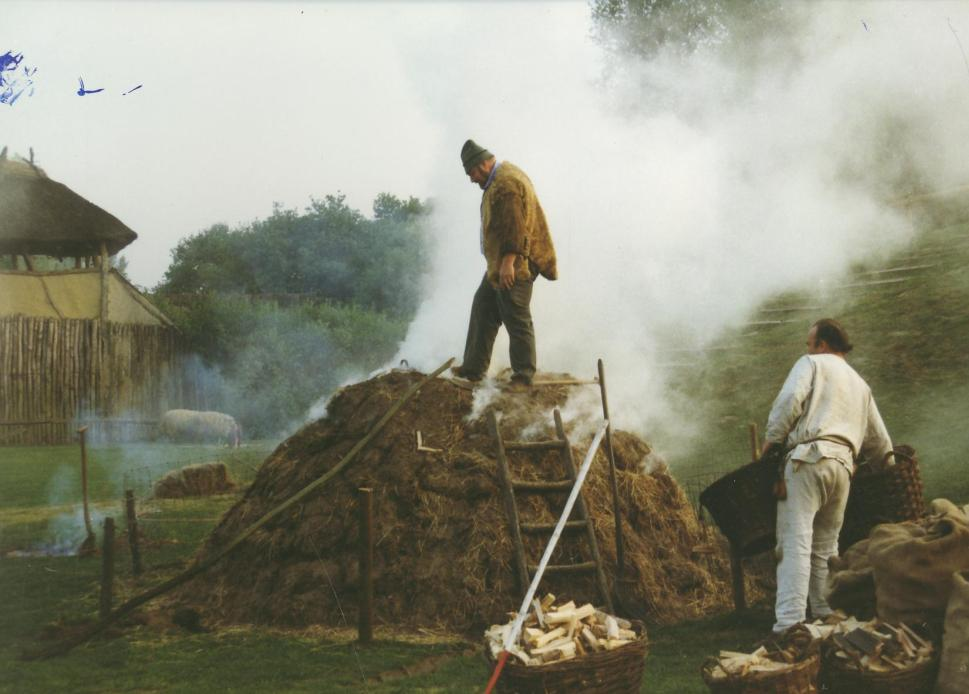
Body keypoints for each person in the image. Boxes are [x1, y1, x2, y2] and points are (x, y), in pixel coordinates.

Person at [762, 318, 893, 634]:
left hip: (809, 459)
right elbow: (878, 439)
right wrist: (888, 469)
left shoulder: (812, 363)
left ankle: (790, 624)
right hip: (843, 467)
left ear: (822, 344)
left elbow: (791, 398)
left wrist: (772, 440)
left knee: (795, 540)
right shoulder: (861, 385)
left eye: (810, 343)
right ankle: (824, 611)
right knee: (826, 545)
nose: (807, 349)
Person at [450, 139, 557, 386]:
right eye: (469, 174)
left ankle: (523, 376)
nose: (472, 178)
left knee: (515, 315)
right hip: (500, 264)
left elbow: (515, 229)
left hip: (515, 264)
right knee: (483, 306)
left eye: (474, 172)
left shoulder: (504, 185)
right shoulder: (500, 178)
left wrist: (508, 263)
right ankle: (473, 369)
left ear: (486, 163)